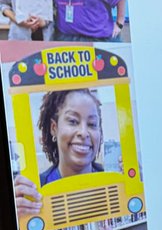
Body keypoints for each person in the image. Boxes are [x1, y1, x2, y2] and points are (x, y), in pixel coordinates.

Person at [14, 88, 106, 219]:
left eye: (92, 124)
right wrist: (14, 220)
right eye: (73, 121)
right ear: (54, 128)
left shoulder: (116, 181)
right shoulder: (34, 191)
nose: (84, 133)